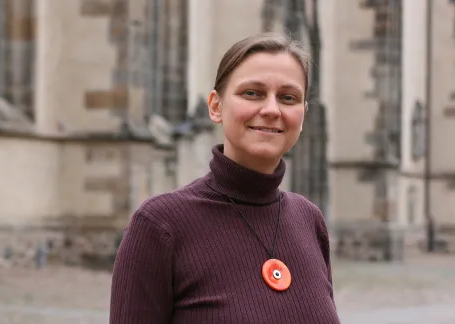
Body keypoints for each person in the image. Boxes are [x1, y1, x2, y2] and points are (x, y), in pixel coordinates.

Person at [109, 32, 340, 323]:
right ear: (216, 106)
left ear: (303, 114)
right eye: (252, 93)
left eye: (288, 97)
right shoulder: (160, 226)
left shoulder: (309, 221)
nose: (271, 109)